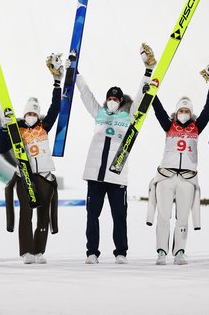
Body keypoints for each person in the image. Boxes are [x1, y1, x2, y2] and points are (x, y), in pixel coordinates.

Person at [75, 44, 155, 264]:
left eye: (116, 99)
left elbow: (141, 97)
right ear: (106, 99)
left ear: (121, 102)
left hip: (117, 175)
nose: (112, 101)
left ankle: (121, 252)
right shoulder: (98, 113)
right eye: (110, 97)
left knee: (119, 216)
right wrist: (76, 72)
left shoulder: (128, 116)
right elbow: (85, 94)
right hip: (94, 175)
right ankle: (92, 252)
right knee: (92, 216)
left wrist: (148, 71)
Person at [146, 62, 209, 265]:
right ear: (176, 111)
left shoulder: (197, 127)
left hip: (187, 178)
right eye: (181, 110)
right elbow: (157, 108)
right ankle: (161, 251)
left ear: (191, 112)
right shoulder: (168, 124)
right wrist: (151, 89)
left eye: (187, 110)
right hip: (166, 176)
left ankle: (179, 251)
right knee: (163, 215)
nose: (184, 113)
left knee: (182, 218)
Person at [0, 53, 62, 264]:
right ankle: (26, 252)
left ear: (38, 115)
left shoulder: (44, 127)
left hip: (44, 175)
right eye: (28, 114)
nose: (31, 117)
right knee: (26, 214)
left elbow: (56, 108)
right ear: (24, 115)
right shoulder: (17, 130)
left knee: (43, 214)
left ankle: (39, 252)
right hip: (24, 176)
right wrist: (4, 129)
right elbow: (1, 147)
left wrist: (57, 83)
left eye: (34, 114)